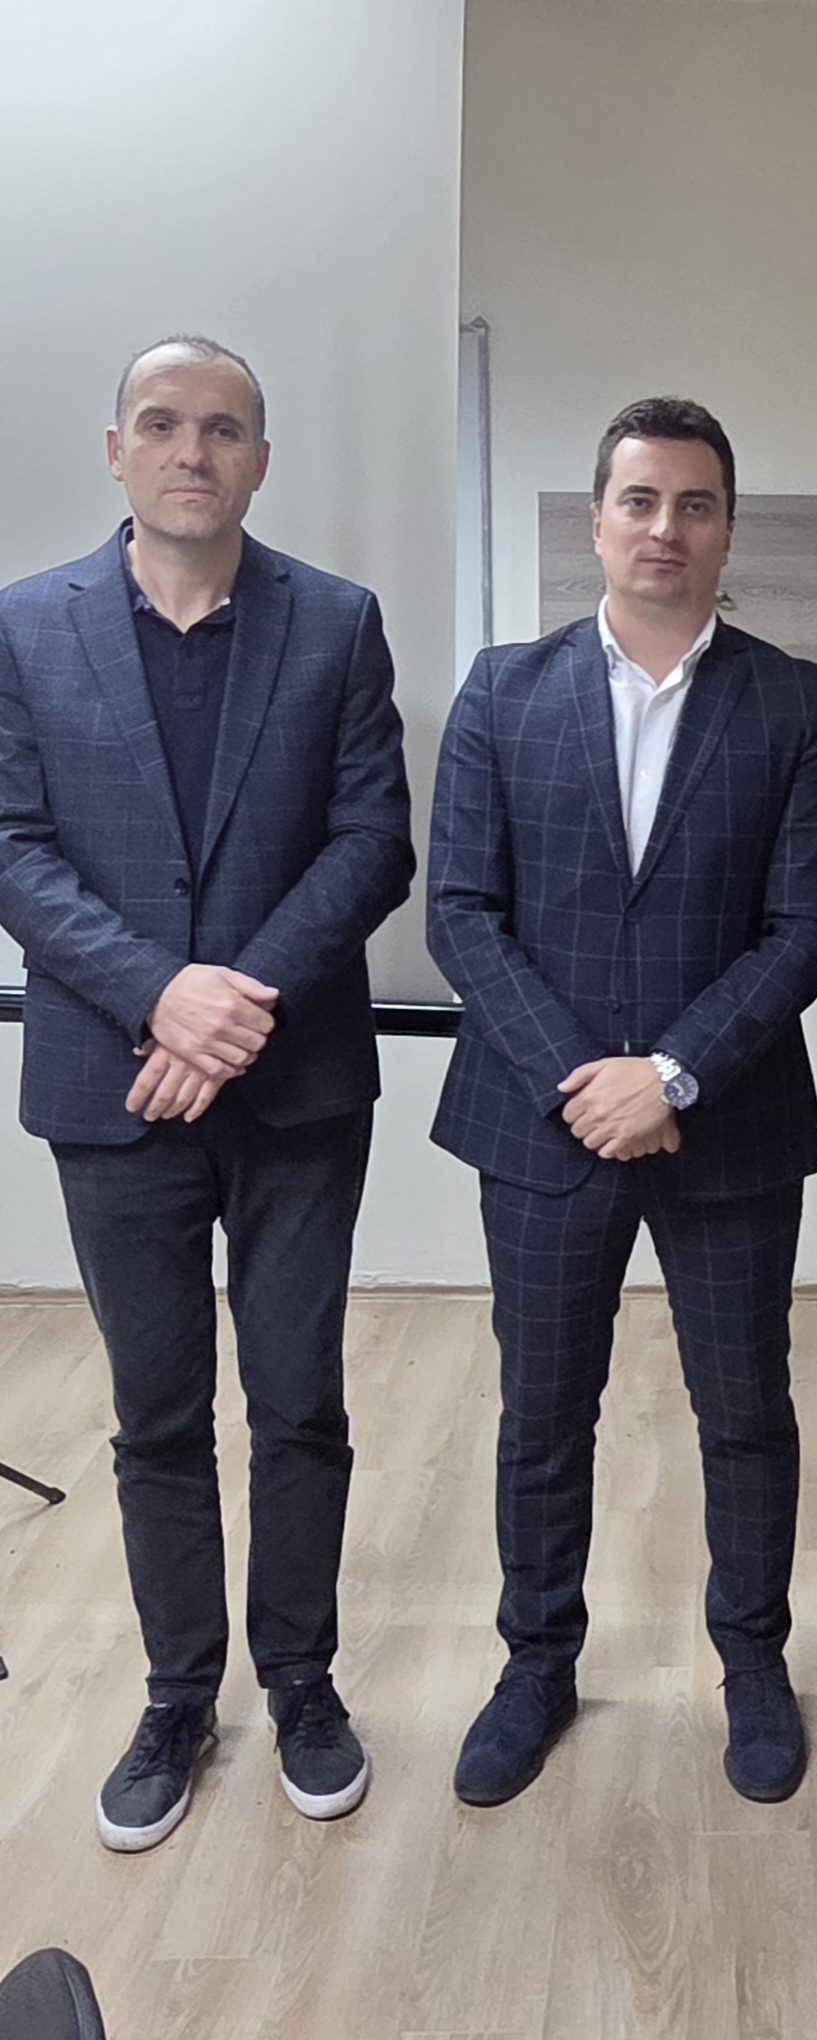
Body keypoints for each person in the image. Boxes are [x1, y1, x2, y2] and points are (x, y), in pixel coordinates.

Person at [0, 335, 414, 1851]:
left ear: (260, 460)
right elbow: (11, 847)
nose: (194, 450)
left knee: (301, 1403)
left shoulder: (336, 623)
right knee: (157, 1415)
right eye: (164, 424)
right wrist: (157, 993)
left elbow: (373, 842)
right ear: (115, 449)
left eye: (225, 429)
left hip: (296, 1090)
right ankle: (180, 1694)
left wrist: (230, 1003)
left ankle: (300, 1680)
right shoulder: (24, 626)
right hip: (110, 1088)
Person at [428, 395, 817, 1808]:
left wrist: (670, 1073)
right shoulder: (503, 689)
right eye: (639, 500)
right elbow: (462, 912)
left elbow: (807, 927)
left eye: (694, 504)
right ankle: (535, 1664)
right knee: (544, 1411)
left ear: (727, 528)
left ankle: (753, 1663)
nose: (665, 526)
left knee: (745, 1411)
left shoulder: (796, 701)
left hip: (726, 1122)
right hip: (539, 1118)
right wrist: (586, 1081)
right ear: (598, 520)